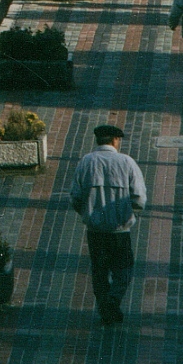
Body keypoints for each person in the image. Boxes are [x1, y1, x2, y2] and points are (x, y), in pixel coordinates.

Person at [69, 123, 147, 325]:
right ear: (115, 140)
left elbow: (76, 197)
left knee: (99, 271)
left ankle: (105, 305)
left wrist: (87, 214)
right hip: (120, 231)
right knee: (124, 270)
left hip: (95, 231)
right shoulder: (127, 163)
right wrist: (127, 215)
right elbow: (139, 199)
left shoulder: (86, 162)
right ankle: (113, 300)